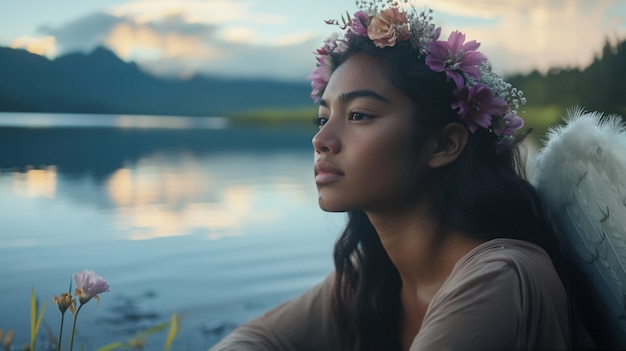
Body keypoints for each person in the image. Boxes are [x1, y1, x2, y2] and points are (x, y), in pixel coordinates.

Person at [210, 1, 573, 350]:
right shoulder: (374, 275)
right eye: (323, 118)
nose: (321, 140)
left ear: (443, 144)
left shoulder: (498, 280)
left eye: (359, 115)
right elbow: (260, 339)